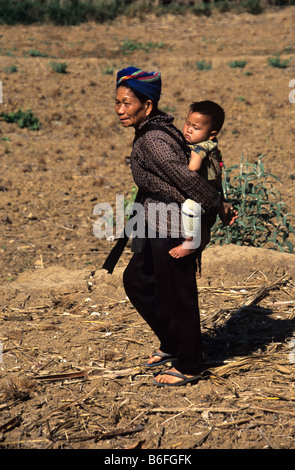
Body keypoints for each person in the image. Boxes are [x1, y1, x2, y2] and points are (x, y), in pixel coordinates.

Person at [114, 66, 237, 386]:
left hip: (173, 223)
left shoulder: (154, 139)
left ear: (148, 106)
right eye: (117, 102)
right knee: (138, 280)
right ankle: (172, 342)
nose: (120, 109)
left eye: (127, 103)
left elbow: (185, 178)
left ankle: (190, 363)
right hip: (156, 220)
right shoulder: (158, 130)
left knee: (176, 294)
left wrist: (216, 204)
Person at [169, 100, 225, 260]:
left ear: (212, 134)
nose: (189, 130)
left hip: (202, 194)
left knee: (189, 208)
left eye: (196, 128)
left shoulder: (201, 147)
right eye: (187, 123)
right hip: (209, 193)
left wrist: (190, 157)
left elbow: (192, 168)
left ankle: (191, 242)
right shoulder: (208, 142)